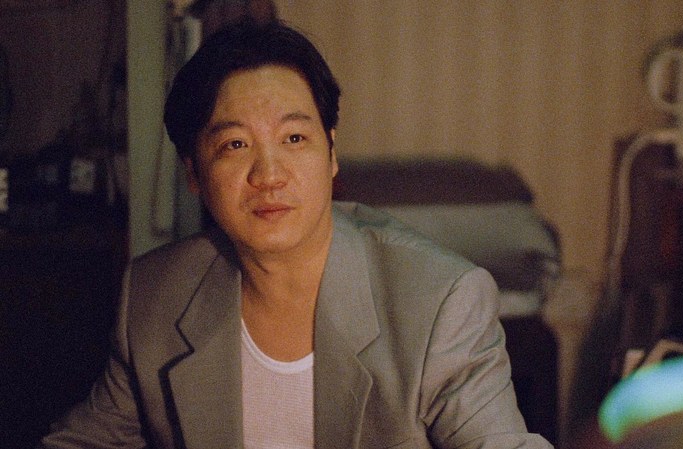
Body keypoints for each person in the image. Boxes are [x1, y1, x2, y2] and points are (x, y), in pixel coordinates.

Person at [39, 21, 553, 449]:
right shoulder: (155, 296)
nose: (269, 174)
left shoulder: (439, 301)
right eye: (235, 144)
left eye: (294, 138)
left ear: (330, 153)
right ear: (194, 173)